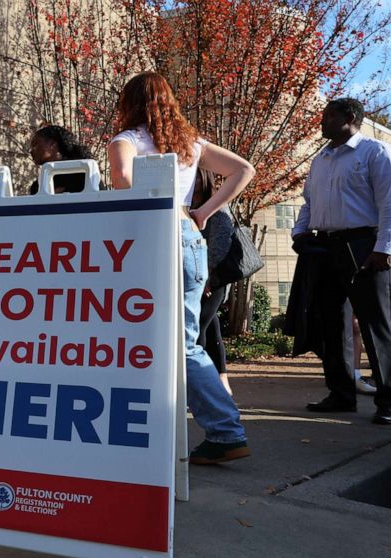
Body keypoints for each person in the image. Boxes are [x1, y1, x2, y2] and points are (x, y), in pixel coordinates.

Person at [107, 72, 255, 464]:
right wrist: (202, 211)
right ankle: (169, 425)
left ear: (130, 102)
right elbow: (244, 170)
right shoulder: (190, 144)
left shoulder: (127, 141)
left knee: (170, 343)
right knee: (174, 341)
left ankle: (225, 430)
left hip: (151, 243)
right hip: (190, 239)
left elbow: (121, 181)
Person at [293, 98, 391, 423]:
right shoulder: (321, 159)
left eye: (328, 115)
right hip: (324, 247)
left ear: (349, 117)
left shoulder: (374, 153)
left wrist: (384, 248)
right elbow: (308, 200)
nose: (322, 121)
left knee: (376, 324)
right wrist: (300, 231)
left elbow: (389, 202)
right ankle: (341, 393)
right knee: (330, 323)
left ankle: (388, 401)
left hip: (365, 244)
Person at [192, 168, 234, 395]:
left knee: (197, 329)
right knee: (211, 327)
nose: (192, 179)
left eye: (197, 174)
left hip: (212, 279)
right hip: (192, 277)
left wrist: (206, 274)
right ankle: (222, 380)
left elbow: (220, 242)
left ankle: (201, 385)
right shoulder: (183, 203)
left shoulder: (216, 204)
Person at [27, 125, 93, 194]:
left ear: (52, 144)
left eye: (35, 144)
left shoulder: (84, 176)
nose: (31, 151)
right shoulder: (38, 186)